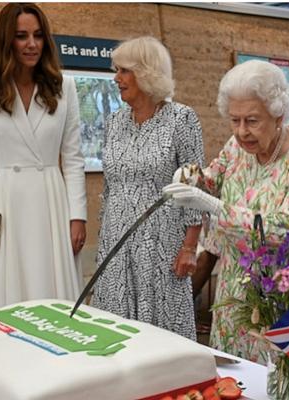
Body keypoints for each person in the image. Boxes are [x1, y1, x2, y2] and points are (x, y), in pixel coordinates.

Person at [163, 60, 289, 363]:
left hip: (283, 291)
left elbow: (284, 229)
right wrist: (189, 176)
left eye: (252, 120)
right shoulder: (237, 145)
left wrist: (212, 205)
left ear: (278, 114)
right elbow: (212, 179)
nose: (241, 132)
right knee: (234, 378)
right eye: (234, 120)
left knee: (280, 384)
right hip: (234, 287)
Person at [0, 3, 87, 310]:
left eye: (38, 35)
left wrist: (77, 216)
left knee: (53, 289)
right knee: (6, 294)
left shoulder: (63, 87)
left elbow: (73, 158)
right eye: (21, 36)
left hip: (51, 200)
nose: (32, 44)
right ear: (7, 40)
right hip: (7, 199)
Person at [92, 37, 204, 340]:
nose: (117, 79)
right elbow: (110, 184)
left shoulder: (182, 119)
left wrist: (190, 247)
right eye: (117, 71)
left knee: (161, 333)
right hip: (116, 240)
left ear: (147, 73)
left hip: (161, 244)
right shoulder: (114, 121)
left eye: (124, 71)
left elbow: (193, 186)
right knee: (115, 331)